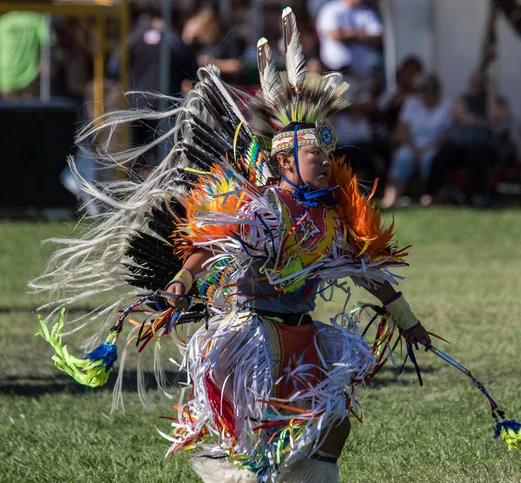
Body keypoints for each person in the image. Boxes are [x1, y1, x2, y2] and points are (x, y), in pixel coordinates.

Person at [32, 8, 430, 483]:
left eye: (328, 154)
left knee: (335, 416)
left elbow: (367, 269)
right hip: (253, 339)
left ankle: (309, 476)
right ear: (284, 161)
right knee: (255, 432)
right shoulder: (263, 209)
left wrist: (407, 321)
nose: (326, 163)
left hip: (303, 334)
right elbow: (212, 243)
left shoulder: (333, 215)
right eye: (313, 156)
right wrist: (183, 276)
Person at [107, 3, 198, 171]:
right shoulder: (174, 40)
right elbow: (194, 75)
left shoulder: (134, 38)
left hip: (135, 107)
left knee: (136, 159)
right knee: (162, 162)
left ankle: (136, 190)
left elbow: (113, 67)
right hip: (164, 110)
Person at [422, 68, 511, 207]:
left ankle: (478, 195)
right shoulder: (464, 99)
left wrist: (491, 96)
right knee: (444, 154)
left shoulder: (498, 101)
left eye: (482, 81)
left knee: (477, 154)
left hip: (486, 145)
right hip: (461, 145)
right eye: (475, 80)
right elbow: (459, 114)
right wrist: (484, 122)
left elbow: (496, 117)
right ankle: (432, 193)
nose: (478, 83)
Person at [381, 73, 452, 209]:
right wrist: (414, 148)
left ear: (436, 91)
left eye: (428, 90)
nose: (424, 95)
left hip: (435, 146)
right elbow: (403, 130)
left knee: (430, 159)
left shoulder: (447, 105)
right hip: (412, 145)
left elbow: (446, 133)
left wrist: (428, 148)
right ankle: (391, 196)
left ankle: (431, 195)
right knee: (403, 157)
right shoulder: (412, 103)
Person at [316, 0, 383, 79]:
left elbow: (378, 36)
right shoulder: (331, 9)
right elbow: (336, 35)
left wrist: (350, 34)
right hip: (336, 71)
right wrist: (363, 34)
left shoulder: (367, 12)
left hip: (363, 72)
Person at [182, 6, 247, 84]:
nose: (202, 27)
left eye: (207, 24)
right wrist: (187, 39)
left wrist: (211, 62)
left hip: (225, 88)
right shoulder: (198, 42)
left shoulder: (229, 39)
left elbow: (237, 66)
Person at [0, 11, 51, 99]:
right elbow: (48, 44)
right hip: (29, 77)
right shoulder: (37, 20)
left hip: (7, 77)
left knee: (8, 110)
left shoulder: (3, 21)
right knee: (29, 110)